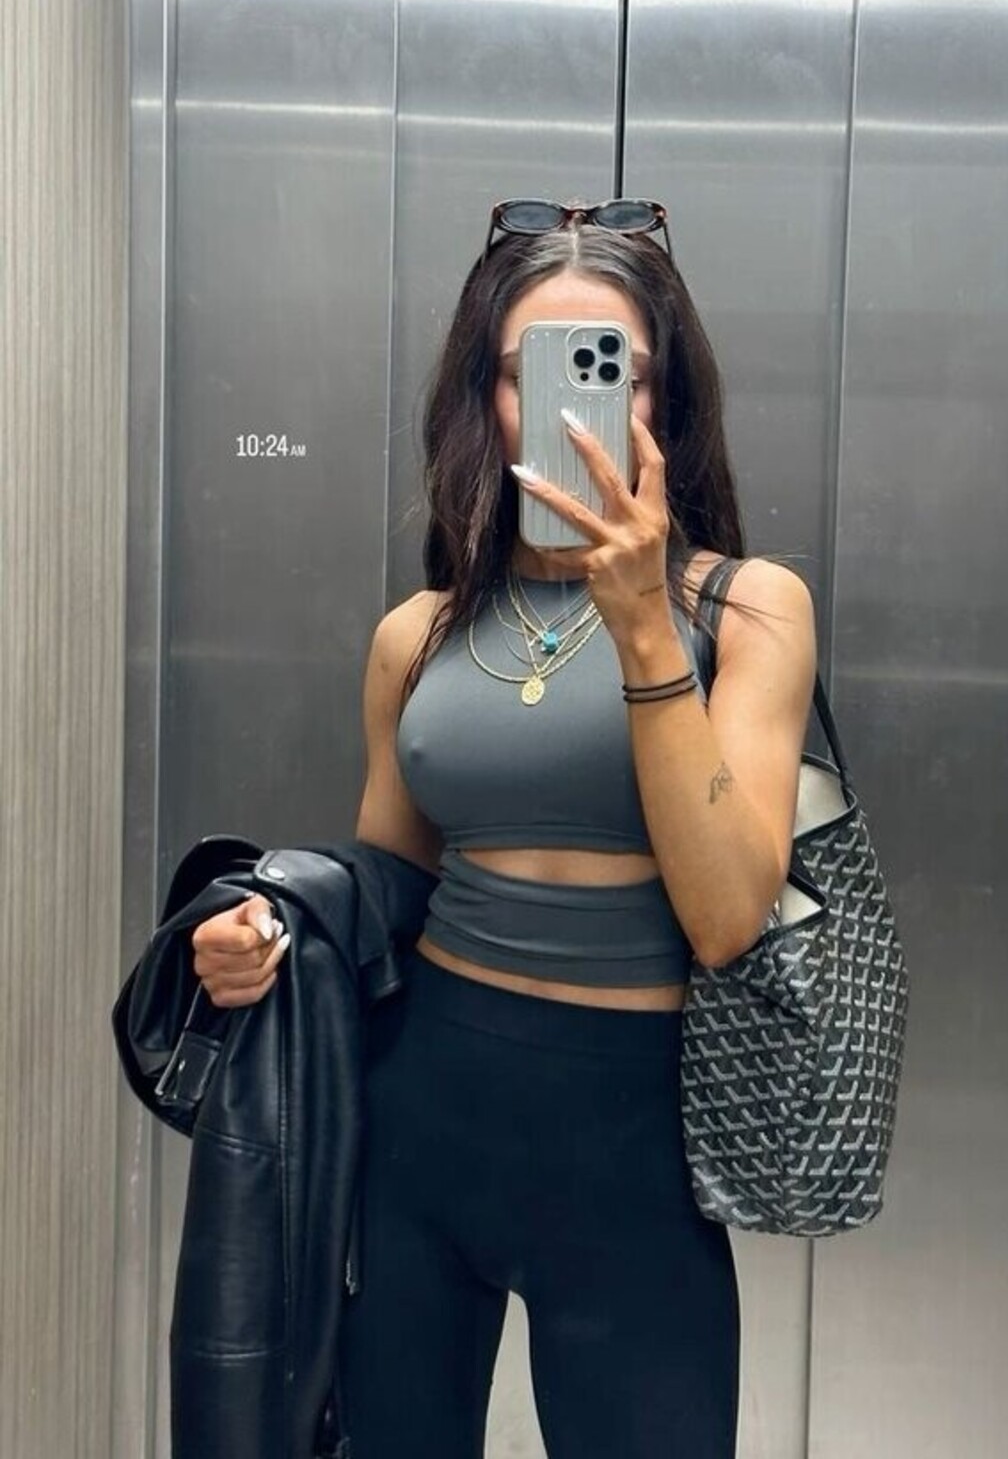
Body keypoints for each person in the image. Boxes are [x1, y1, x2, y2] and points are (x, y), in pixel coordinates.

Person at [192, 199, 817, 1459]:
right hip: (419, 1130)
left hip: (635, 1157)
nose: (578, 406)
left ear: (665, 401)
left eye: (619, 370)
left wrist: (641, 623)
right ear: (488, 396)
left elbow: (726, 913)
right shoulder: (416, 633)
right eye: (535, 370)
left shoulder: (747, 611)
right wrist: (263, 930)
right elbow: (384, 892)